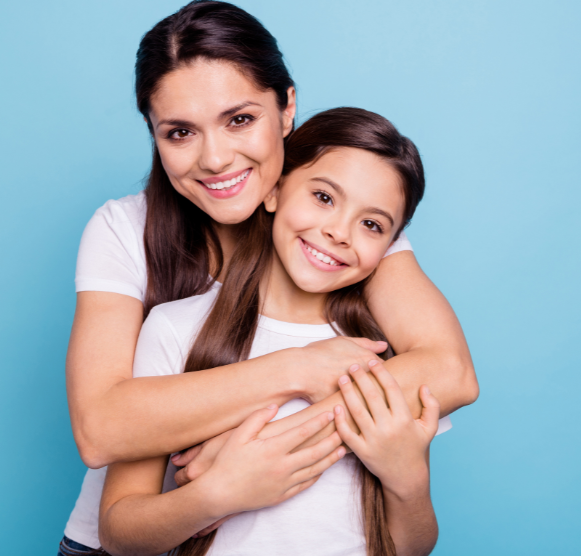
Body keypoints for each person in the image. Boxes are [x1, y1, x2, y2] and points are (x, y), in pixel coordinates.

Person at [60, 0, 478, 555]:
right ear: (154, 135)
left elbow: (450, 371)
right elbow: (101, 428)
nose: (215, 159)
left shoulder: (339, 226)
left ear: (286, 109)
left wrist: (268, 448)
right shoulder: (125, 232)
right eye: (180, 132)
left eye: (240, 119)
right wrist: (299, 373)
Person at [100, 107, 445, 556]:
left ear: (390, 247)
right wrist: (216, 495)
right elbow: (118, 531)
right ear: (274, 191)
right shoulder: (175, 329)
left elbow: (411, 548)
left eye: (372, 224)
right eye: (324, 197)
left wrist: (409, 482)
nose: (339, 232)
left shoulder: (388, 355)